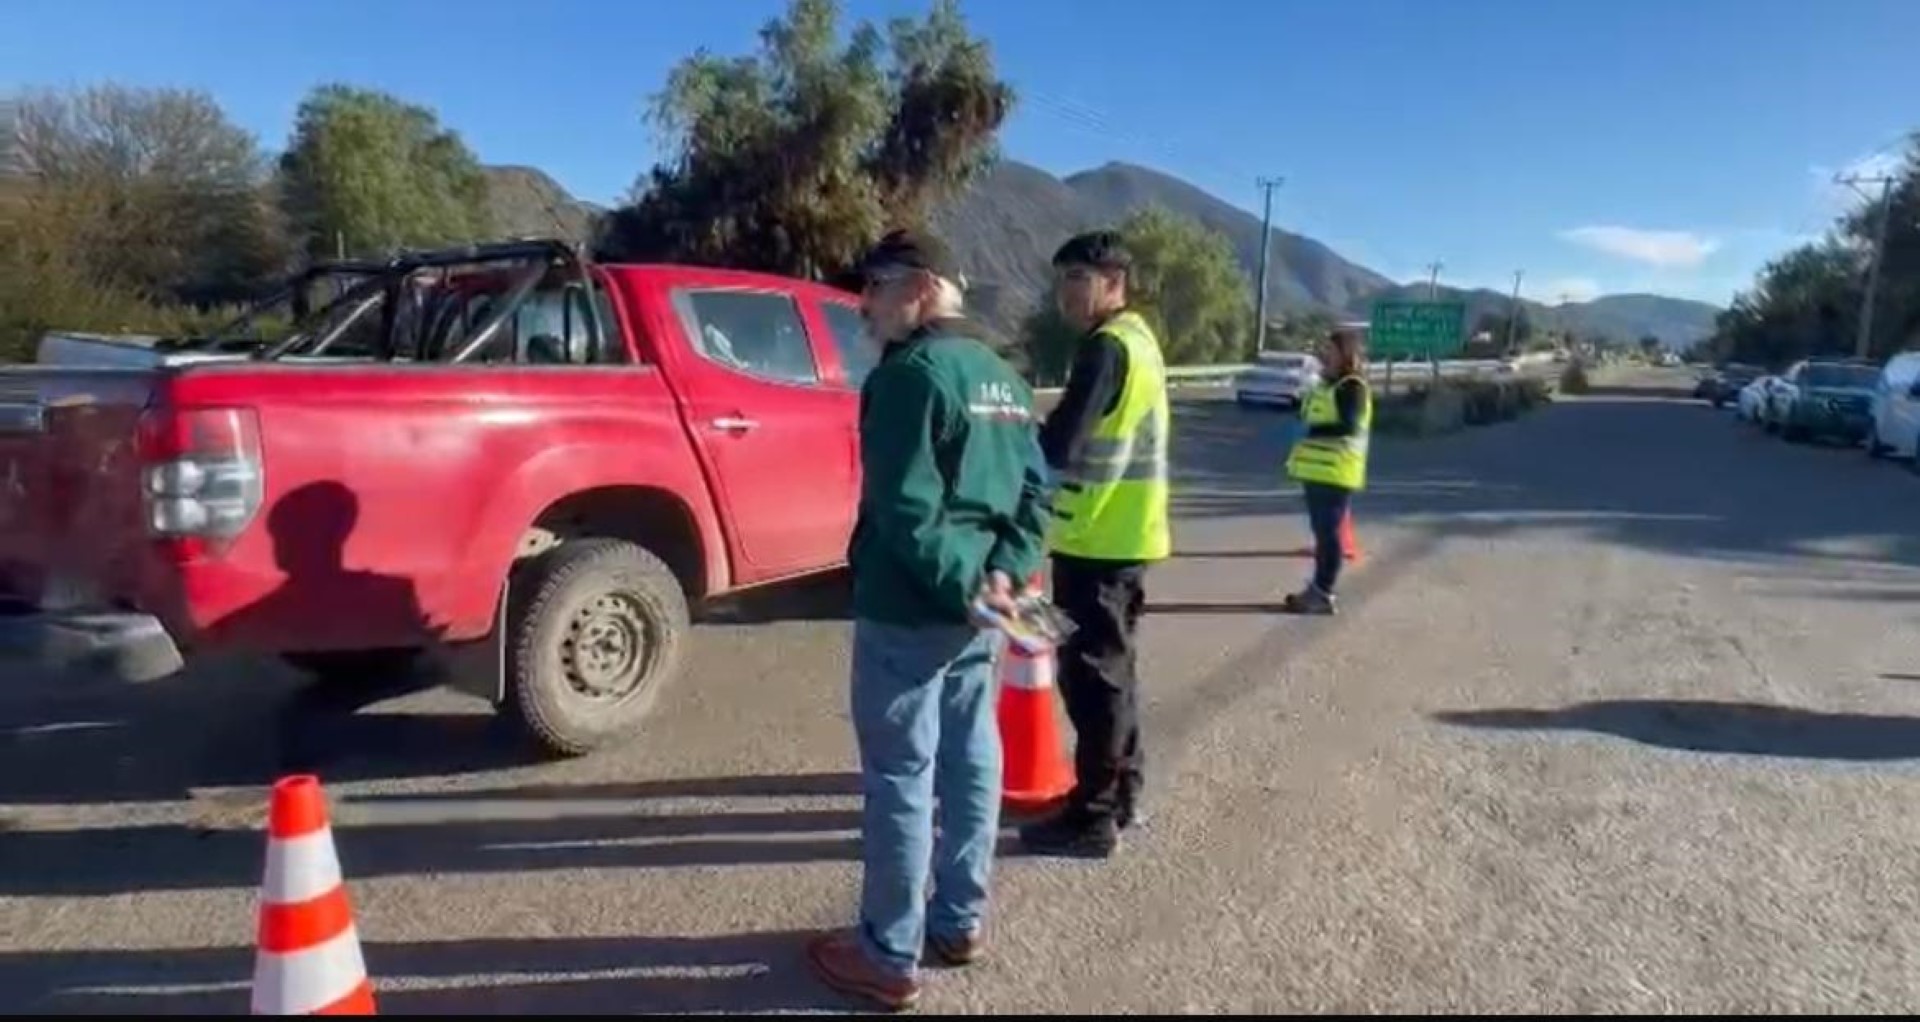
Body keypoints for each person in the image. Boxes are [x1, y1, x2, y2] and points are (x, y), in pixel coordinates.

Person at [806, 229, 1052, 1012]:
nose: (865, 306)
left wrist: (963, 586)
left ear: (917, 287)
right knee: (973, 758)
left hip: (912, 608)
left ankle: (886, 954)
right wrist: (1001, 576)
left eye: (874, 289)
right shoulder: (1003, 376)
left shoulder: (910, 375)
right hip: (979, 609)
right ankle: (958, 921)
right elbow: (1035, 496)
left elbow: (907, 511)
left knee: (902, 777)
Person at [1020, 230, 1171, 859]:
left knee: (1091, 681)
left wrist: (1018, 442)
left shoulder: (1106, 348)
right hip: (1124, 536)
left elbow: (1062, 443)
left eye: (1078, 280)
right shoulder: (1140, 340)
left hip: (1093, 538)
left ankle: (1094, 816)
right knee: (1115, 675)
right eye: (1061, 280)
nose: (1065, 294)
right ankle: (1123, 793)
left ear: (1114, 282)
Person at [1281, 326, 1373, 615]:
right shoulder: (1325, 385)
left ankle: (1323, 592)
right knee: (1322, 534)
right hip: (1317, 471)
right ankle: (1317, 589)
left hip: (1336, 471)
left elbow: (1348, 425)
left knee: (1329, 534)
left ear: (1346, 354)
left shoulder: (1352, 387)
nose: (1325, 354)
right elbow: (1312, 412)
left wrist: (1312, 430)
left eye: (1331, 349)